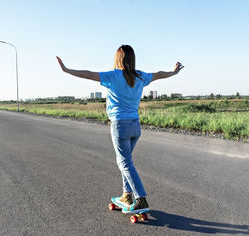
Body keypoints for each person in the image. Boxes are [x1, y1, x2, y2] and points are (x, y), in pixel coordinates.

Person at [56, 45, 184, 213]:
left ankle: (141, 199)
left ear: (118, 59)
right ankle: (127, 195)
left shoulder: (114, 75)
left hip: (120, 126)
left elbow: (88, 74)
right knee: (125, 161)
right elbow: (159, 74)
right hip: (135, 126)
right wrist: (173, 72)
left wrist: (66, 70)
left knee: (124, 162)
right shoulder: (140, 76)